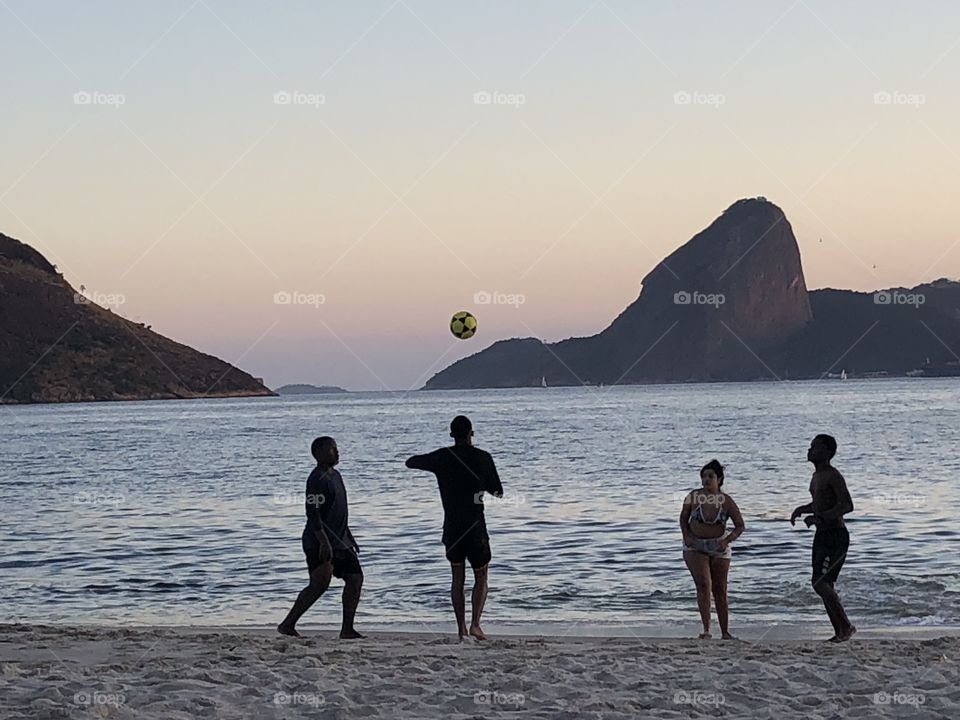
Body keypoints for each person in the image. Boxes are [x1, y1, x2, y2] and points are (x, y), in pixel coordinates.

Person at [405, 415, 503, 641]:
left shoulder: (442, 457)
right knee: (481, 576)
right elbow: (498, 492)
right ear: (472, 433)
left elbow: (411, 462)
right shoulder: (483, 458)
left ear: (452, 435)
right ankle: (475, 625)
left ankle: (460, 629)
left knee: (457, 578)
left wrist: (438, 464)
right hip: (476, 526)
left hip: (452, 528)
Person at [278, 436, 364, 638]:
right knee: (319, 585)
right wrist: (324, 542)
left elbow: (339, 510)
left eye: (336, 448)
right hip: (318, 540)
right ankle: (287, 624)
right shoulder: (316, 479)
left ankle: (347, 629)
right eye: (332, 449)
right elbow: (313, 513)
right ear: (319, 454)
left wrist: (349, 536)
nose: (337, 452)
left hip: (341, 540)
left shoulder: (336, 475)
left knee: (355, 579)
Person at [791, 434, 856, 642]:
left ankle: (845, 626)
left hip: (835, 537)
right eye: (810, 446)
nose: (810, 450)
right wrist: (802, 509)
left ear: (827, 452)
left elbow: (847, 505)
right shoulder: (816, 476)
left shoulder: (832, 475)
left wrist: (819, 517)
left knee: (821, 582)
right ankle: (839, 630)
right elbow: (820, 503)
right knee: (820, 582)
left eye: (815, 447)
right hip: (821, 536)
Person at [679, 459, 746, 640]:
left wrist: (727, 541)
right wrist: (687, 537)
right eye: (703, 477)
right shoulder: (693, 497)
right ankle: (707, 630)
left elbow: (740, 526)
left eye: (710, 476)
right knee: (704, 584)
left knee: (720, 589)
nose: (706, 480)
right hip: (695, 546)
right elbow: (683, 519)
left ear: (719, 479)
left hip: (719, 546)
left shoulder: (726, 501)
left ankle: (725, 632)